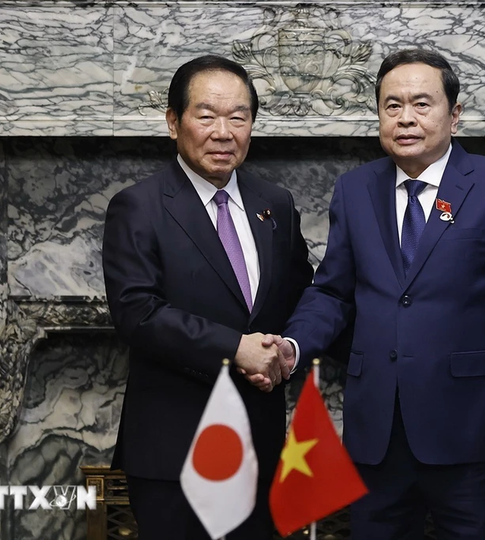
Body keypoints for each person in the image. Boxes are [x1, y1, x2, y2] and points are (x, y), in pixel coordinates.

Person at [261, 49, 485, 539]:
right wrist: (292, 345)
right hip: (377, 438)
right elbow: (332, 293)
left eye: (421, 104)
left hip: (471, 439)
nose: (406, 118)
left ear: (454, 115)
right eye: (392, 106)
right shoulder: (355, 190)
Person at [102, 55, 313, 540]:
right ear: (173, 122)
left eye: (238, 117)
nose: (223, 132)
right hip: (174, 456)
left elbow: (303, 295)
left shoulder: (275, 204)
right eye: (206, 116)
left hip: (259, 452)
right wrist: (235, 348)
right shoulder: (139, 206)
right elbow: (137, 313)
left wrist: (290, 347)